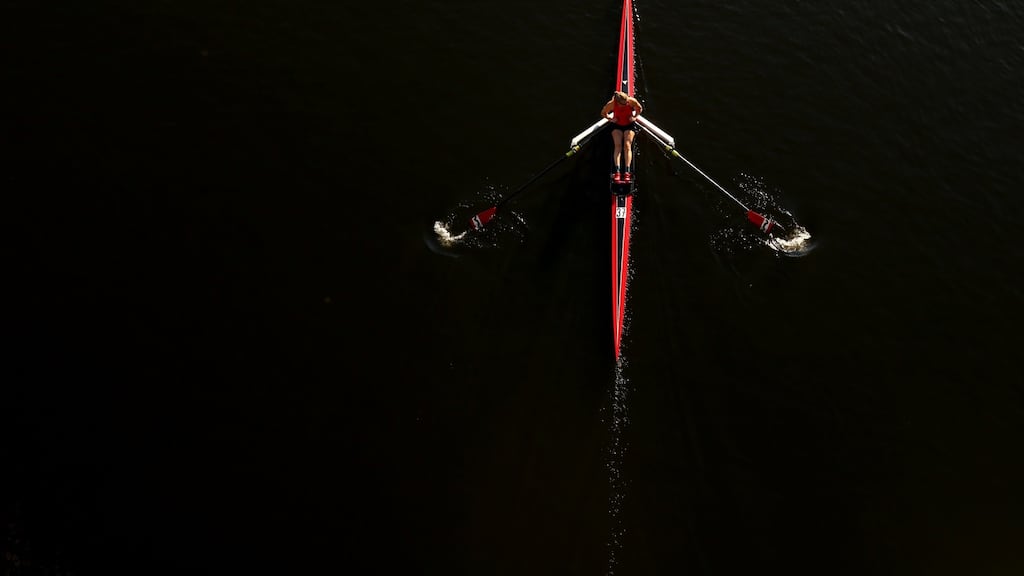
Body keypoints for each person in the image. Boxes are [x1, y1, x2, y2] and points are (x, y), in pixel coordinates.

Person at [600, 91, 643, 183]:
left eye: (627, 102)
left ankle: (627, 172)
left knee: (627, 145)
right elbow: (603, 113)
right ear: (618, 102)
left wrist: (635, 117)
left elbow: (639, 108)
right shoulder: (611, 104)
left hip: (629, 125)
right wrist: (611, 119)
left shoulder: (631, 101)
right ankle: (618, 172)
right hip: (617, 125)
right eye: (624, 103)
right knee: (618, 146)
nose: (627, 103)